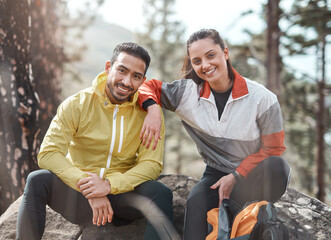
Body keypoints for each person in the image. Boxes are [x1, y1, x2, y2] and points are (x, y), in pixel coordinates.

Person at [138, 29, 291, 240]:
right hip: (215, 175)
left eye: (211, 55)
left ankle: (251, 220)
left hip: (252, 174)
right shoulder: (186, 94)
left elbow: (274, 148)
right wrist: (153, 109)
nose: (205, 65)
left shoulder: (263, 98)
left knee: (278, 166)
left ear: (225, 53)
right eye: (197, 60)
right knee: (196, 201)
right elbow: (147, 86)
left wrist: (236, 175)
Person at [16, 42, 175, 240]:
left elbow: (151, 165)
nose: (126, 81)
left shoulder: (149, 116)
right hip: (79, 198)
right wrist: (91, 189)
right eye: (122, 71)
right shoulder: (77, 104)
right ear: (109, 68)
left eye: (136, 76)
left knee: (160, 193)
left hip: (122, 199)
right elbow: (48, 154)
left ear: (143, 80)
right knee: (37, 180)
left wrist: (109, 185)